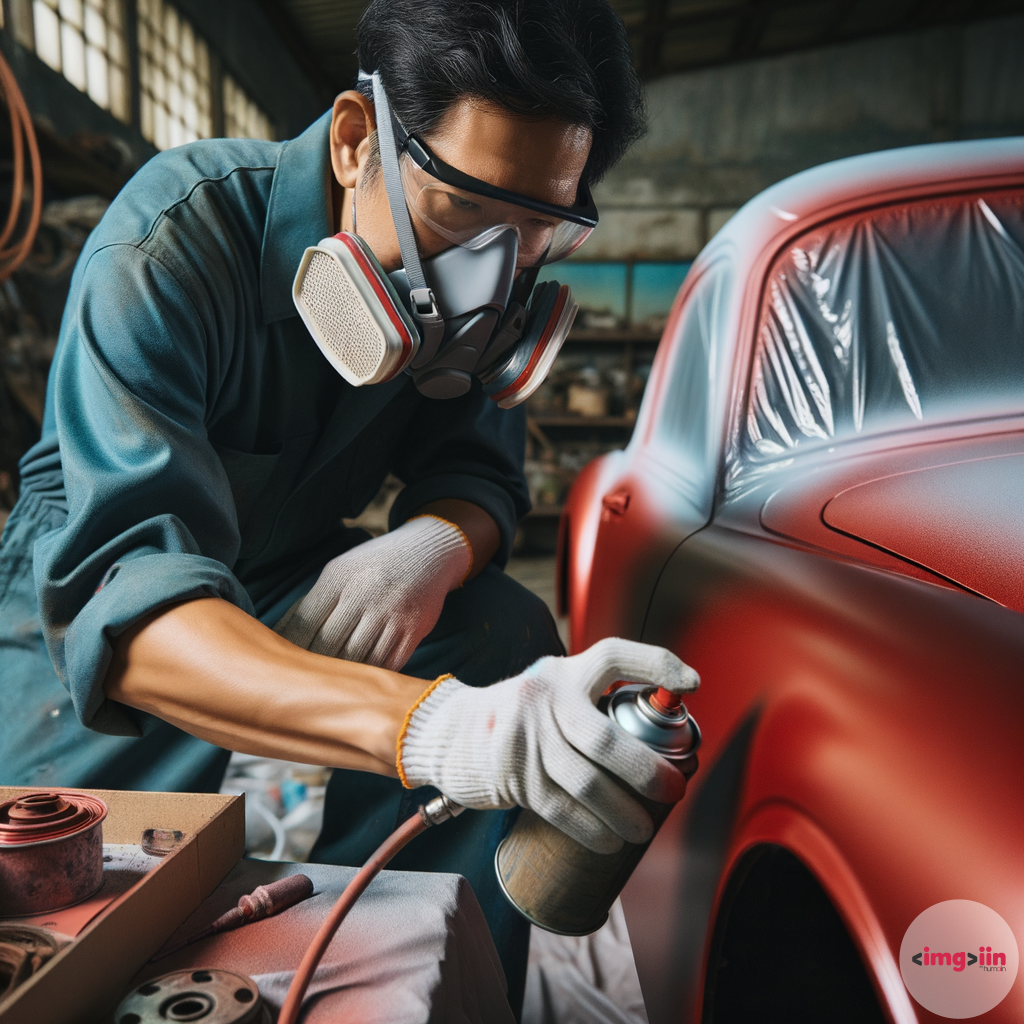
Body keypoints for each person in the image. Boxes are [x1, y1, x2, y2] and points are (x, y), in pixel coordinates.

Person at [0, 0, 698, 1010]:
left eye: (538, 228)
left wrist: (429, 546)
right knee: (59, 884)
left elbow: (485, 478)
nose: (487, 282)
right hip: (90, 593)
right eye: (461, 213)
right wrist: (435, 728)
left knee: (500, 626)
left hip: (290, 567)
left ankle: (403, 968)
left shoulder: (484, 294)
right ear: (356, 139)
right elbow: (131, 608)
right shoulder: (170, 241)